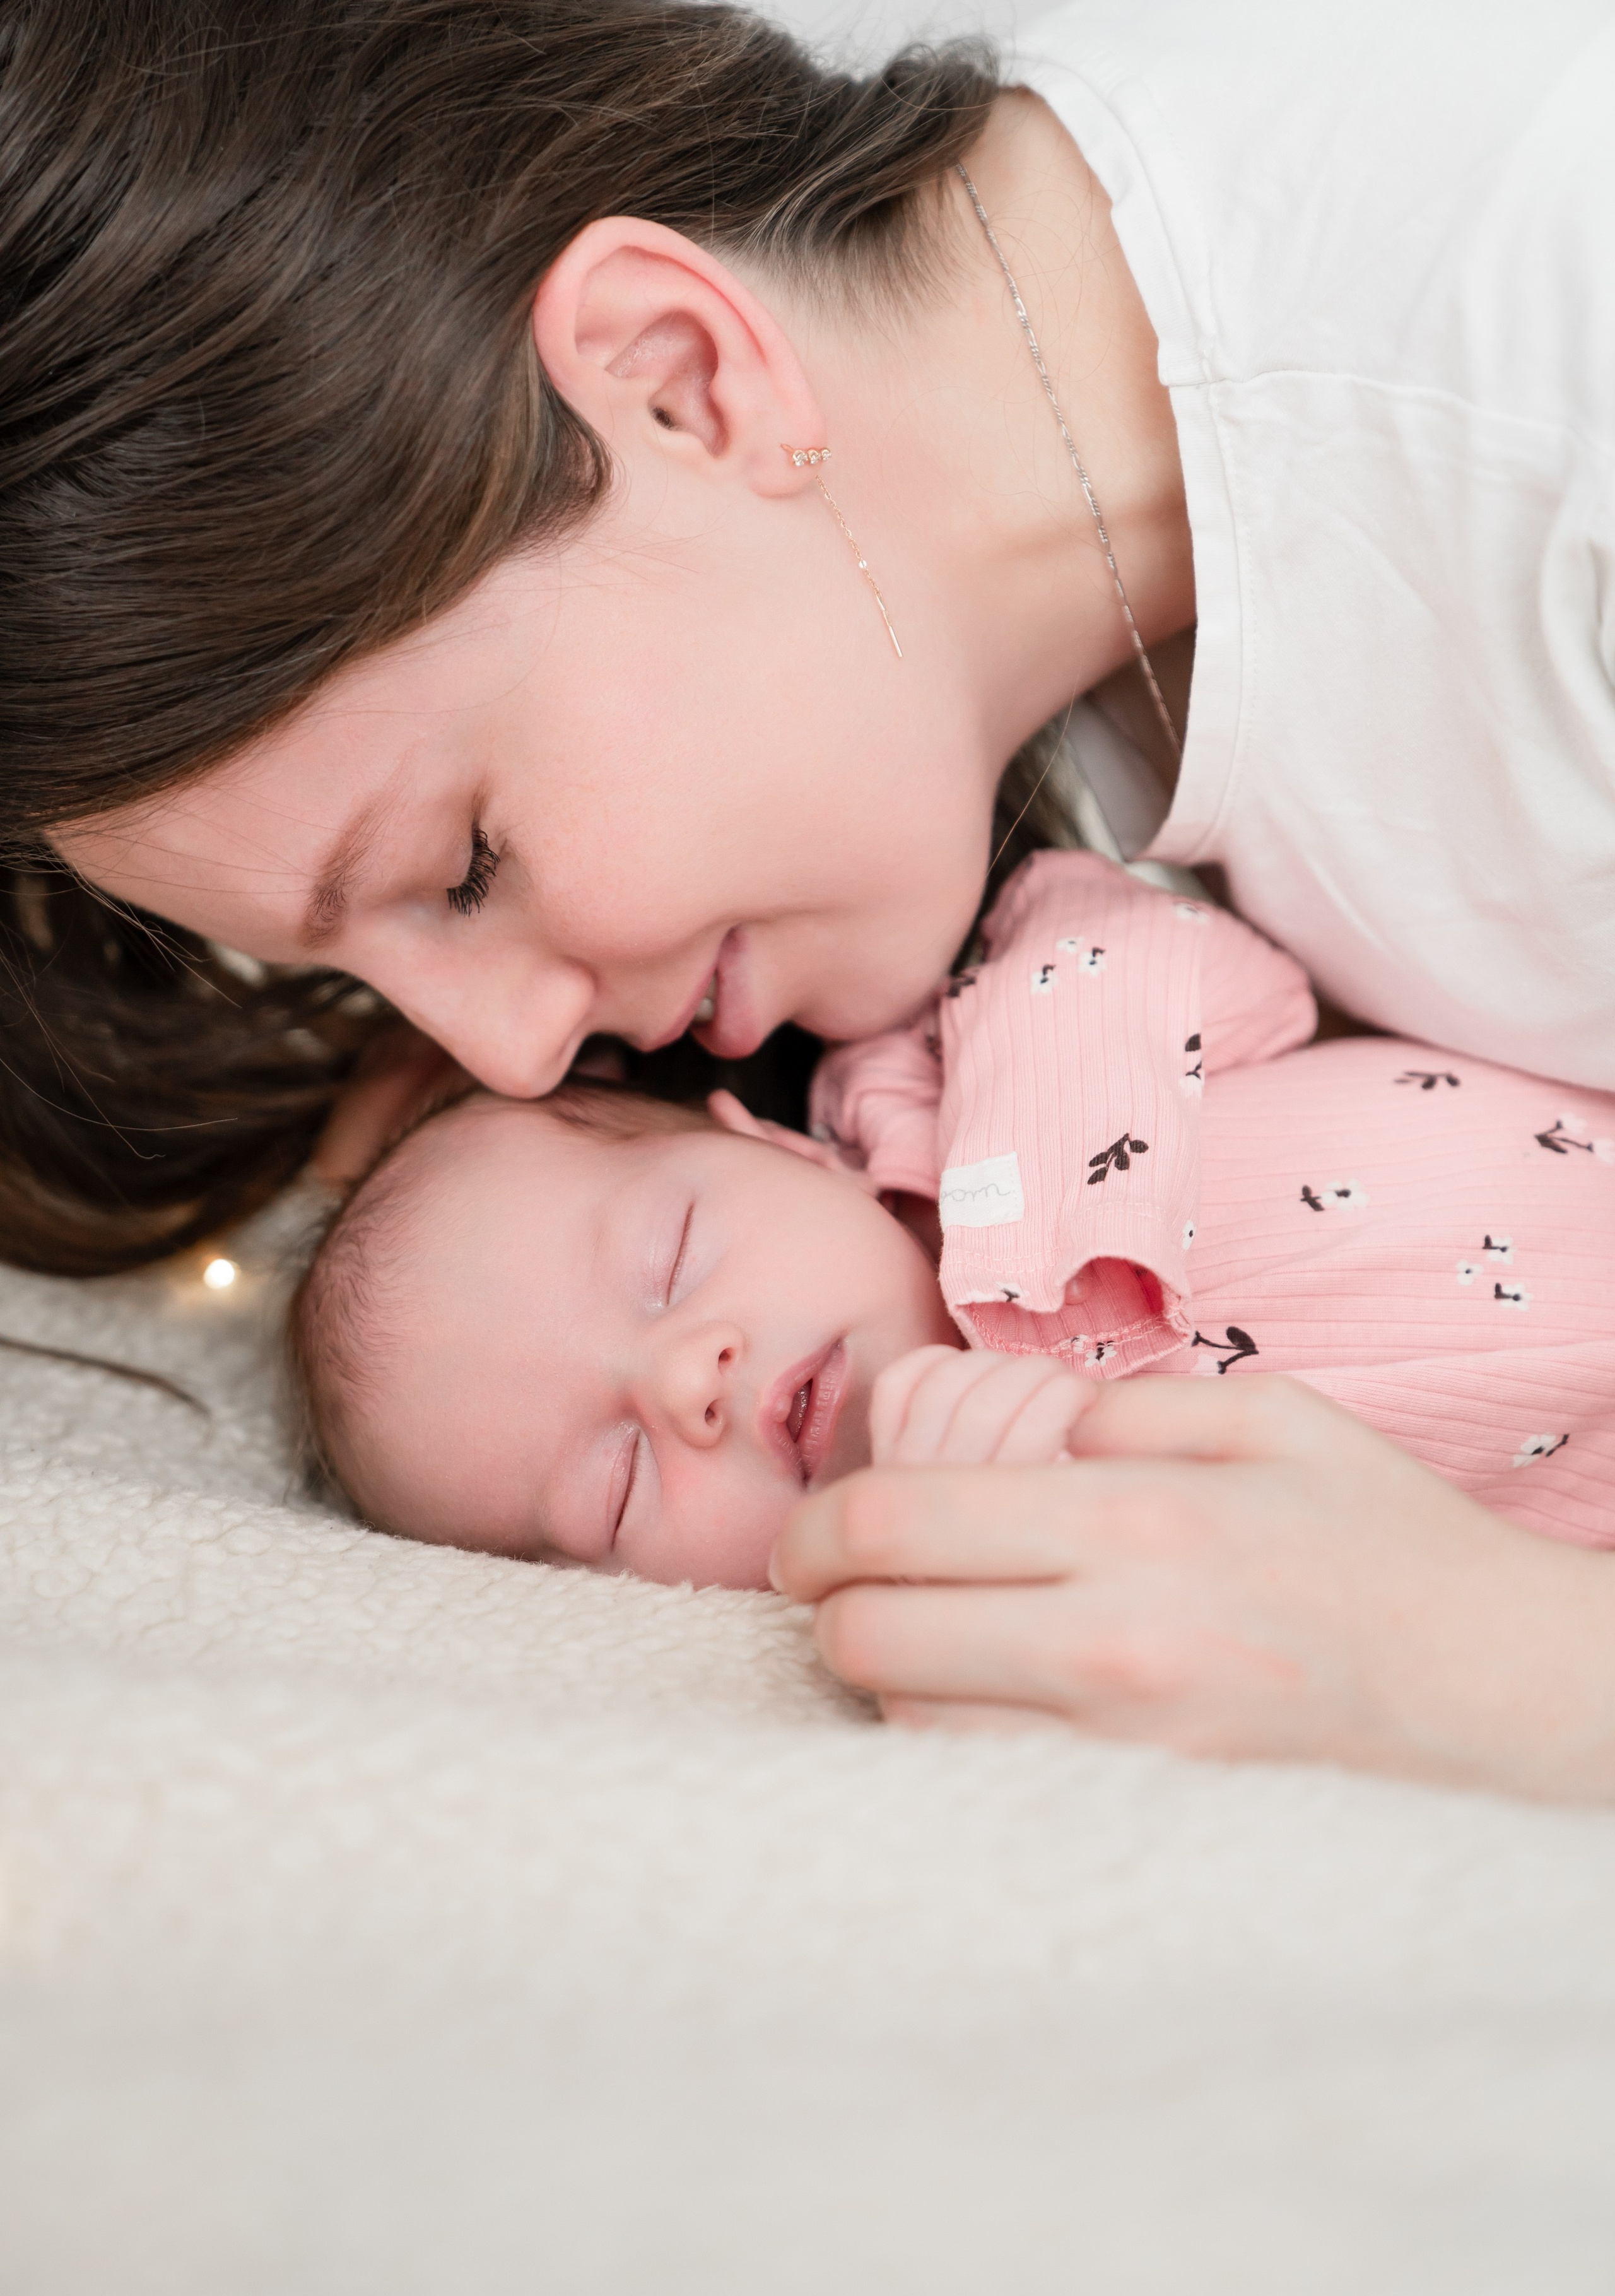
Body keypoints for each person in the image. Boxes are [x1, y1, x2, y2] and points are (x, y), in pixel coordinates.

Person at [5, 0, 1614, 1793]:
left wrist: (1513, 1671)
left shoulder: (1546, 397)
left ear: (683, 375)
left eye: (463, 865)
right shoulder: (977, 619)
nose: (522, 1059)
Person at [290, 853, 1615, 1606]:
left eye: (671, 1260)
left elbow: (1139, 931)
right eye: (617, 1480)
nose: (686, 1377)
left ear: (780, 1148)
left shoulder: (939, 1080)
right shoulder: (969, 1576)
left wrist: (1025, 1227)